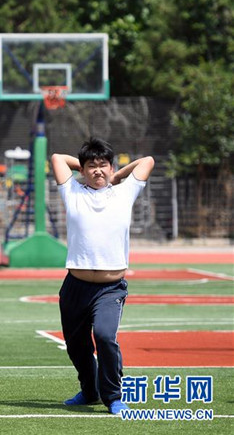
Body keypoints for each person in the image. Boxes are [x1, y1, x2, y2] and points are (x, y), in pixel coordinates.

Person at [51, 137, 154, 415]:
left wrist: (117, 176)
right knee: (76, 345)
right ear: (82, 170)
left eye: (103, 165)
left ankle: (113, 396)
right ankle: (89, 391)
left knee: (105, 336)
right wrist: (85, 167)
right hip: (75, 286)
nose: (98, 170)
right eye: (91, 166)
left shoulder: (124, 192)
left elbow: (147, 161)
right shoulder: (72, 191)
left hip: (110, 288)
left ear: (111, 167)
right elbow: (58, 158)